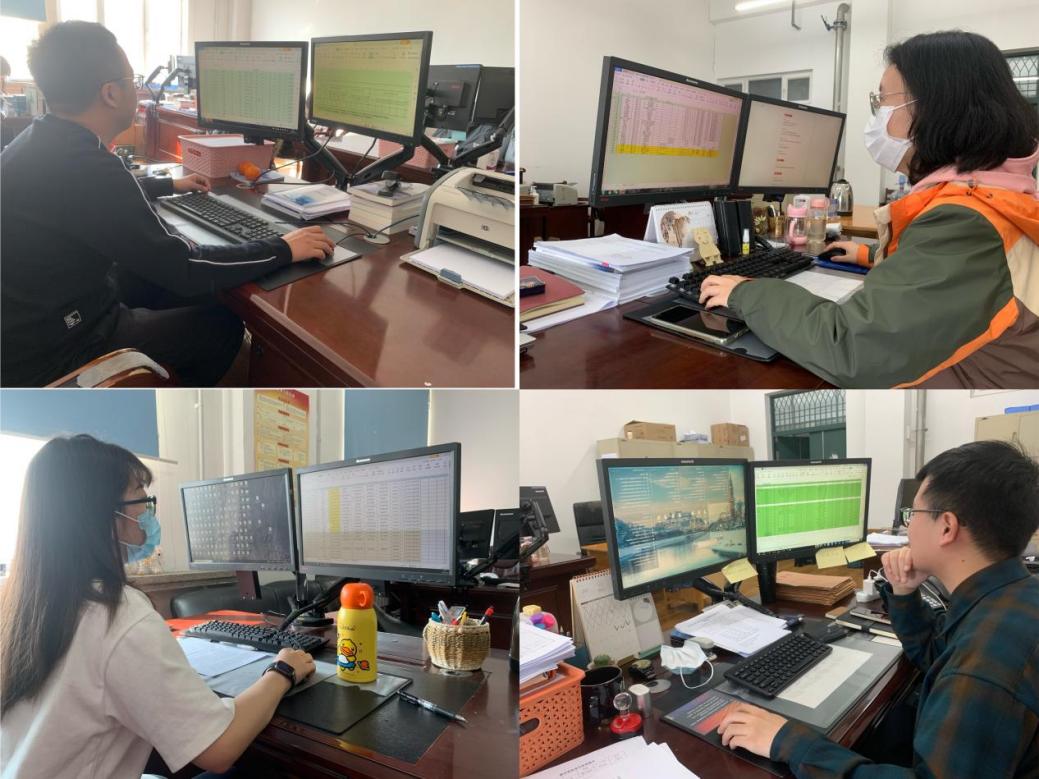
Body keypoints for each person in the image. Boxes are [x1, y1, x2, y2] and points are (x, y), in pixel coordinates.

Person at [0, 21, 335, 387]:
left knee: (148, 277)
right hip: (58, 350)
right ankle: (164, 394)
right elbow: (185, 267)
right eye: (132, 80)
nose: (138, 89)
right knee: (221, 324)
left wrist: (165, 184)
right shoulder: (89, 166)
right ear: (110, 93)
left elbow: (82, 199)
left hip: (27, 331)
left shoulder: (38, 141)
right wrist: (283, 248)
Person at [699, 31, 1039, 389]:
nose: (877, 116)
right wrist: (871, 254)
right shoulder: (996, 193)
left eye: (883, 100)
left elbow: (851, 348)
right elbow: (955, 277)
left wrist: (746, 293)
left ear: (935, 109)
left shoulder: (965, 222)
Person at [715, 440, 1039, 777]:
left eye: (913, 514)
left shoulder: (987, 665)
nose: (908, 526)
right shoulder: (1011, 600)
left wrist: (790, 742)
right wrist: (904, 593)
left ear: (947, 527)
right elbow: (939, 655)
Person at [0, 434, 317, 777]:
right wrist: (282, 671)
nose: (148, 511)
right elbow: (219, 749)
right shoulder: (117, 615)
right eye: (141, 497)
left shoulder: (17, 601)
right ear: (105, 514)